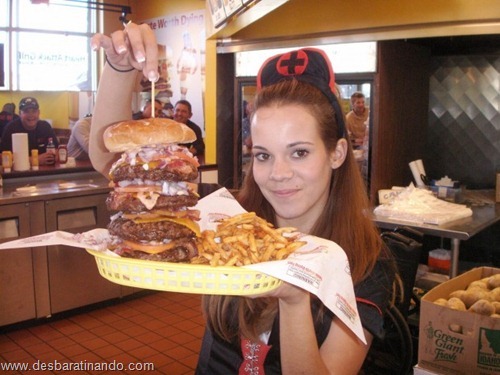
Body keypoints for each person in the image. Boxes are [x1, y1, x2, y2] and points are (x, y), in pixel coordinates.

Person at [90, 25, 395, 374]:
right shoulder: (227, 218)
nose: (278, 173)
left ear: (337, 153)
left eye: (298, 153)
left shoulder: (364, 261)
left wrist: (295, 301)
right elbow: (112, 162)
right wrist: (119, 67)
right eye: (264, 155)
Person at [0, 97, 59, 165]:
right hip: (19, 174)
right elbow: (3, 157)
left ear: (39, 113)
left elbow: (57, 149)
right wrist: (34, 160)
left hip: (45, 172)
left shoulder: (45, 127)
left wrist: (55, 156)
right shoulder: (11, 128)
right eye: (26, 111)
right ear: (20, 113)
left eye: (34, 111)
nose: (31, 115)